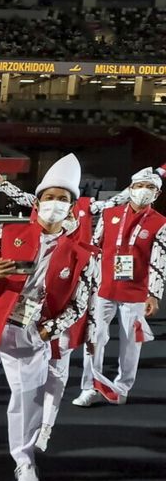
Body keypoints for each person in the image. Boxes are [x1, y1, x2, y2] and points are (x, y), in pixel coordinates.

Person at [0, 154, 98, 481]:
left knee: (26, 400)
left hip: (31, 333)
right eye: (49, 197)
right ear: (37, 202)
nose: (54, 204)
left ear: (71, 206)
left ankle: (24, 461)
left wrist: (46, 330)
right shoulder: (10, 233)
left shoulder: (81, 254)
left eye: (62, 199)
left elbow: (80, 303)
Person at [75, 167, 165, 407]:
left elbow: (160, 261)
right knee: (94, 337)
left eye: (150, 188)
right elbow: (95, 246)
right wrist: (88, 281)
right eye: (139, 186)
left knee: (130, 343)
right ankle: (89, 387)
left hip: (135, 293)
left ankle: (123, 386)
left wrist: (154, 294)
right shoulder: (109, 214)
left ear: (157, 194)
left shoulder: (160, 222)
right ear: (130, 188)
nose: (143, 191)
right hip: (104, 288)